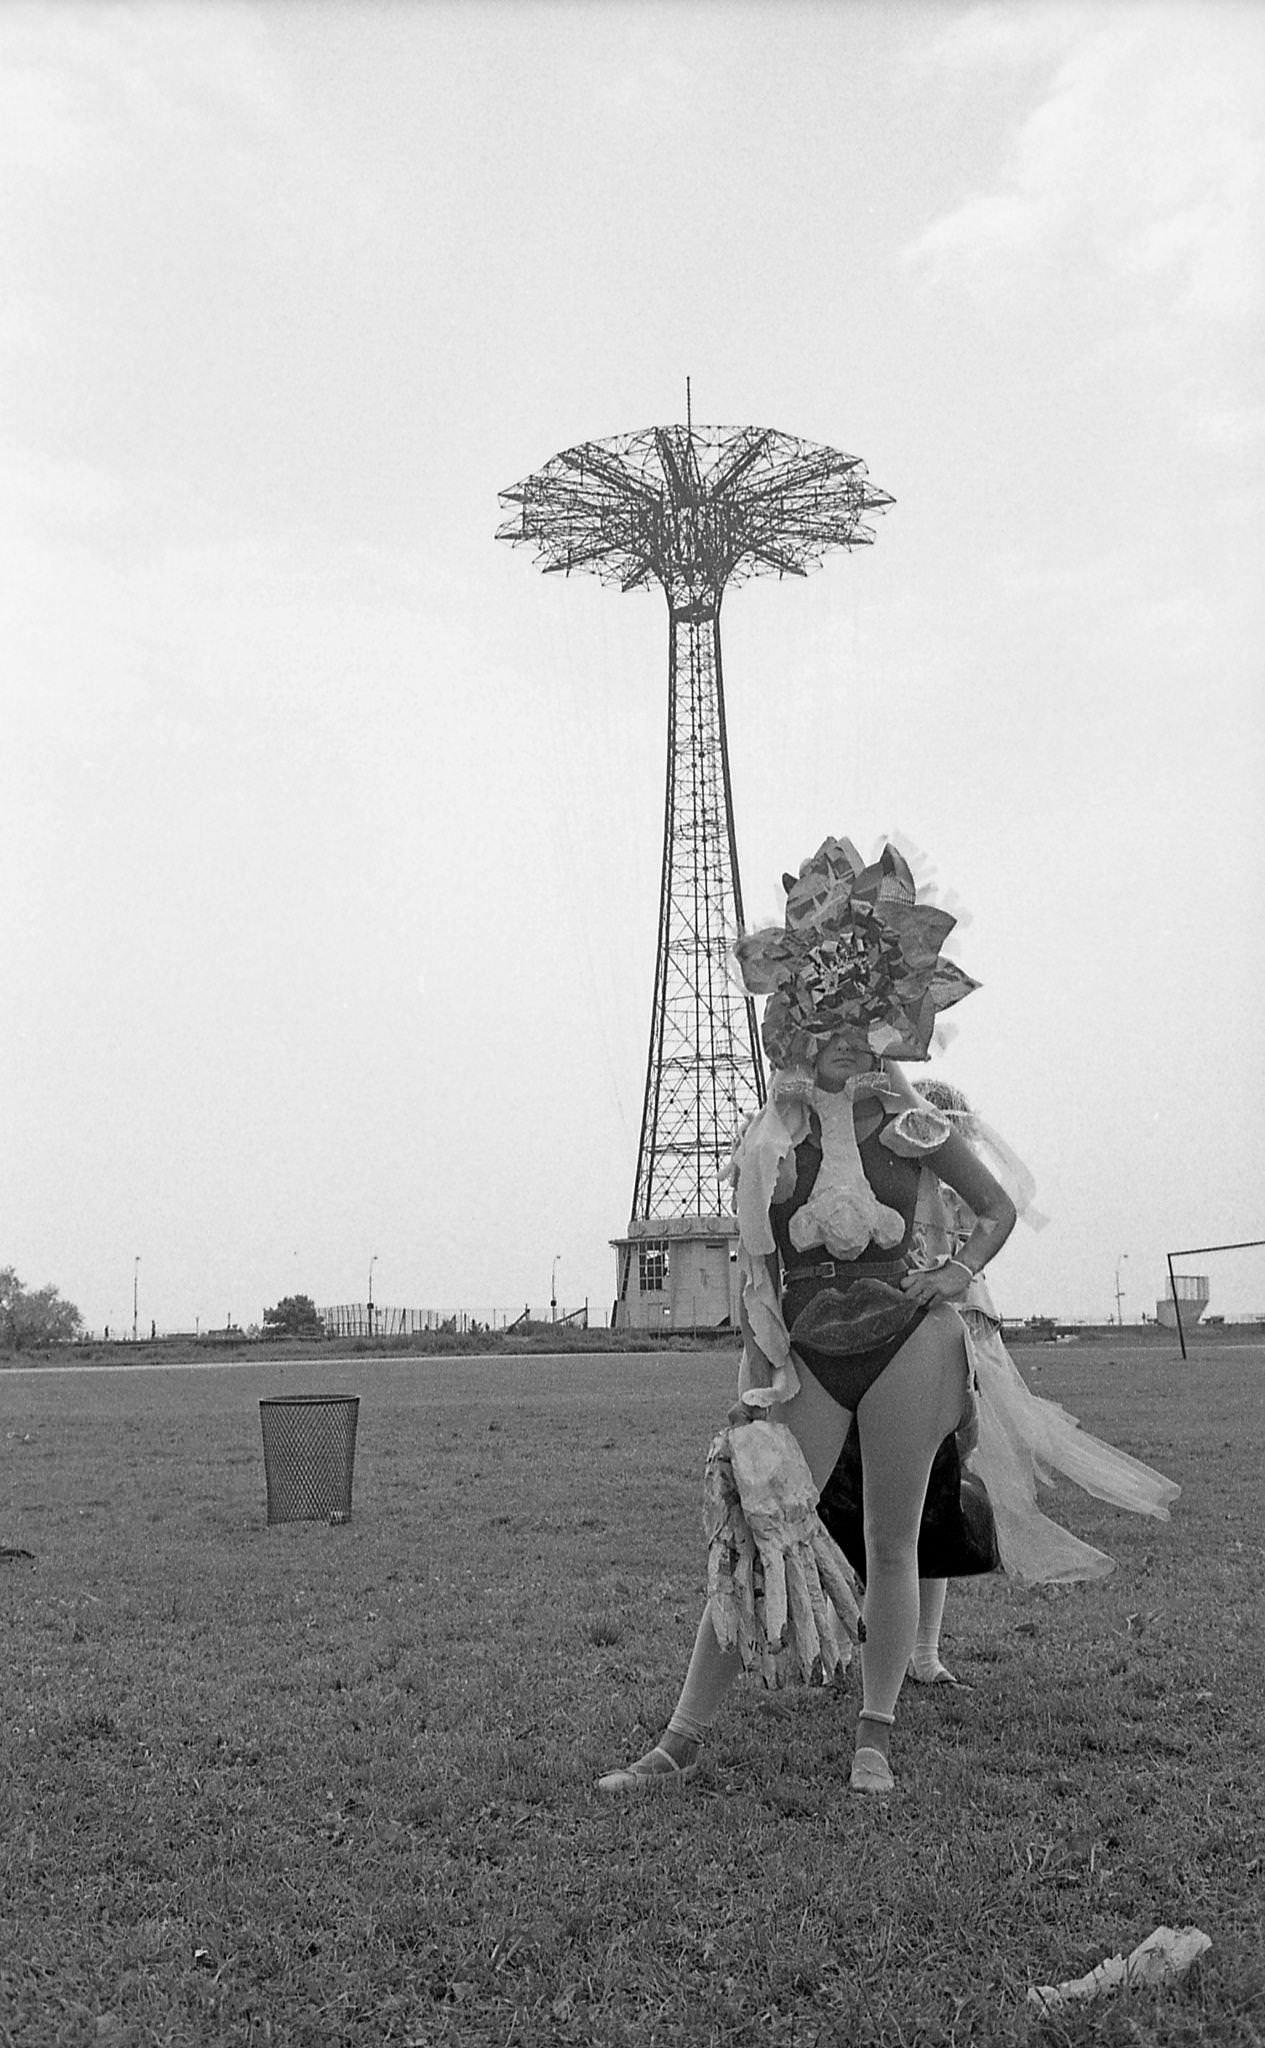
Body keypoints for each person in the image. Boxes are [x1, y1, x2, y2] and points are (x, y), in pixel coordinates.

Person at [597, 835, 1017, 1797]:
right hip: (809, 1356)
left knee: (892, 1542)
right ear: (792, 1023)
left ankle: (874, 1732)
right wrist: (754, 1383)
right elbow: (756, 1266)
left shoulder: (912, 1123)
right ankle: (679, 1741)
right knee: (761, 1532)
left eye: (854, 1021)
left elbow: (992, 1211)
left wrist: (952, 1275)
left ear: (880, 1024)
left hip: (910, 1342)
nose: (834, 1039)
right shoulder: (771, 1135)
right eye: (817, 1020)